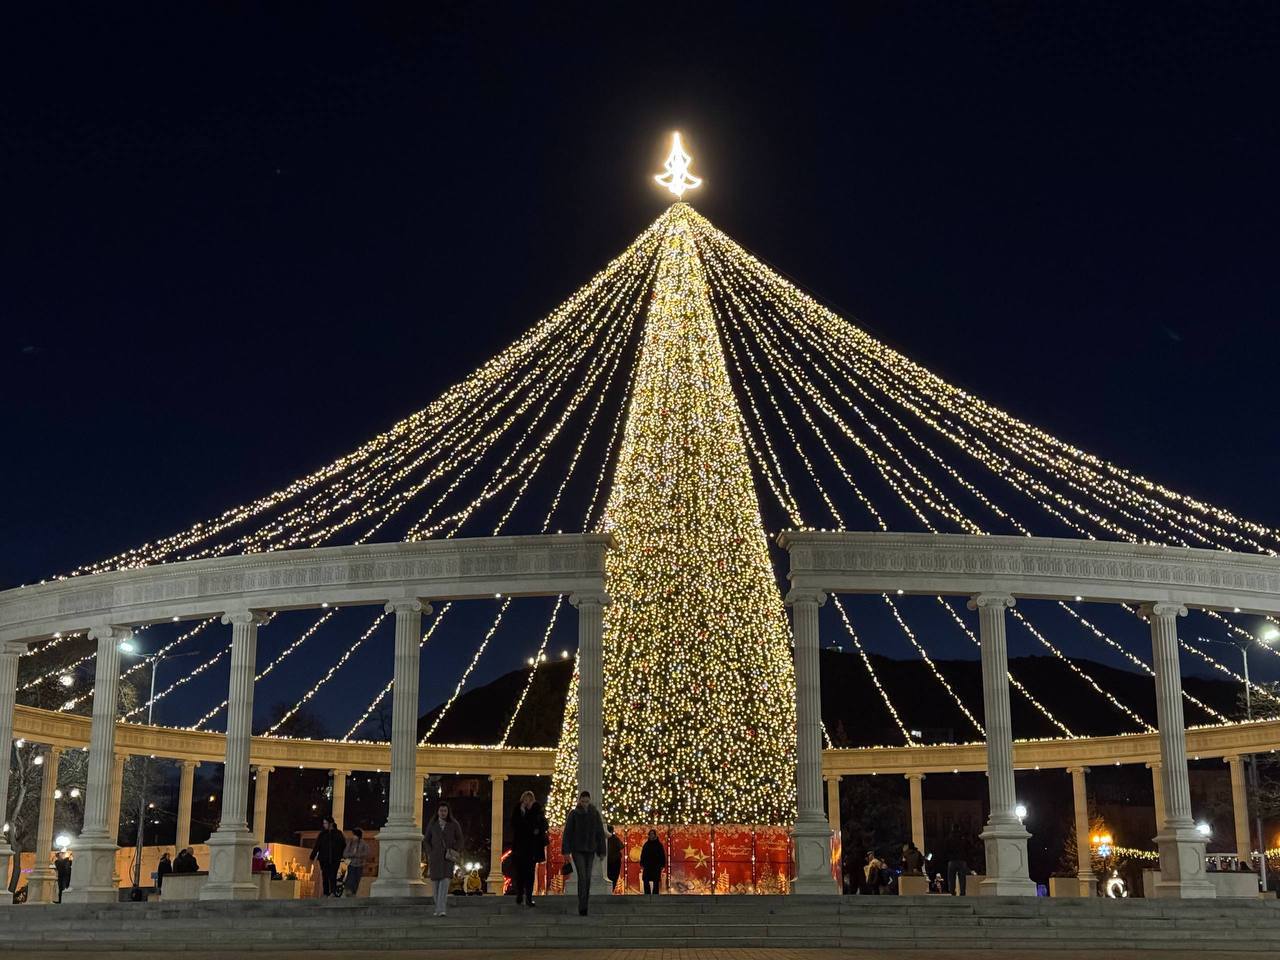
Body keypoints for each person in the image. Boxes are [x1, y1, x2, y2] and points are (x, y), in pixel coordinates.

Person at [561, 790, 606, 916]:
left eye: (586, 801)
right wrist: (566, 851)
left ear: (589, 801)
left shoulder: (594, 814)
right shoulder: (574, 814)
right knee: (582, 876)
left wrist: (602, 850)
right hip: (578, 850)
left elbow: (599, 833)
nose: (585, 804)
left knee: (587, 877)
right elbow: (567, 833)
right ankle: (582, 905)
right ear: (579, 801)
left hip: (590, 849)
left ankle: (584, 903)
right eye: (583, 801)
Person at [510, 790, 548, 907]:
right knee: (520, 872)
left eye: (529, 800)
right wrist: (522, 813)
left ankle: (529, 898)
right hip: (520, 847)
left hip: (532, 847)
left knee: (530, 873)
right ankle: (519, 894)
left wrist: (536, 828)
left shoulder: (537, 810)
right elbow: (514, 825)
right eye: (525, 800)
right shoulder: (518, 810)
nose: (527, 802)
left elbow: (543, 825)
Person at [425, 803, 464, 917]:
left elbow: (460, 839)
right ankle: (438, 908)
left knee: (444, 884)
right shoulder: (433, 824)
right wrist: (430, 852)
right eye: (441, 810)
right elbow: (426, 840)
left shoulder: (454, 824)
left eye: (445, 811)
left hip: (447, 858)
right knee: (435, 886)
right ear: (437, 812)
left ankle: (441, 909)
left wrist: (454, 849)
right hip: (435, 859)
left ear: (448, 812)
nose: (443, 813)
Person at [310, 817, 346, 897]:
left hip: (335, 859)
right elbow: (317, 846)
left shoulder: (338, 834)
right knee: (325, 875)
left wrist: (341, 855)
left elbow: (343, 845)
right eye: (324, 823)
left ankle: (333, 892)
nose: (324, 825)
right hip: (324, 859)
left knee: (333, 875)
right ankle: (326, 893)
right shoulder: (322, 834)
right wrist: (312, 856)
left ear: (331, 824)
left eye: (325, 823)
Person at [939, 825, 968, 896]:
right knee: (962, 878)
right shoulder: (963, 838)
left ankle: (952, 892)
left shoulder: (949, 838)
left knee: (951, 878)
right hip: (962, 860)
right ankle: (962, 892)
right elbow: (967, 848)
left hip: (952, 860)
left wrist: (947, 858)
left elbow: (945, 849)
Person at [343, 828, 371, 898]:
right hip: (351, 864)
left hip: (360, 864)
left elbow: (367, 853)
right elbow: (345, 854)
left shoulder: (364, 844)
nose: (353, 836)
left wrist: (358, 855)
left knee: (357, 879)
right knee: (350, 878)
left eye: (354, 835)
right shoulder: (350, 843)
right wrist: (352, 854)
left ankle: (354, 892)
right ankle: (349, 890)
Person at [640, 829, 665, 896]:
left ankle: (655, 896)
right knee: (645, 880)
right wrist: (642, 863)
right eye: (650, 834)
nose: (651, 835)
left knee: (656, 881)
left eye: (652, 834)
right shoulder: (646, 845)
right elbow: (643, 854)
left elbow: (662, 855)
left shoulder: (659, 845)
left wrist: (662, 864)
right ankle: (647, 895)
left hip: (656, 865)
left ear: (655, 835)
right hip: (647, 865)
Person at [606, 824, 623, 893]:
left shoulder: (605, 839)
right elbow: (621, 846)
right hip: (615, 861)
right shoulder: (615, 838)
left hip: (608, 861)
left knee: (609, 877)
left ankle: (609, 891)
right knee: (614, 877)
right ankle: (611, 890)